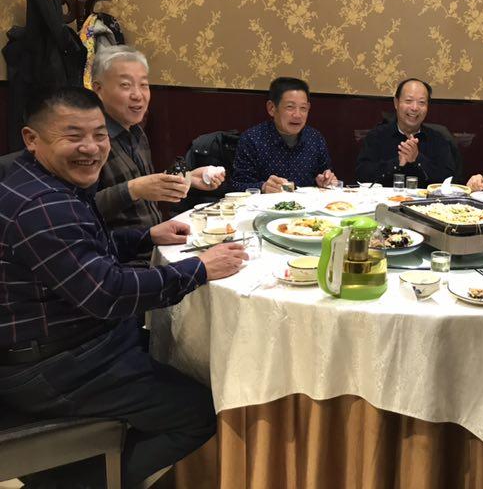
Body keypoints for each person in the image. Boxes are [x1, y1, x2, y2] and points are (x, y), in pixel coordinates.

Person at [0, 87, 247, 487]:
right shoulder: (42, 204)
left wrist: (146, 236)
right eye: (73, 136)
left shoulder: (38, 180)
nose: (91, 148)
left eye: (99, 135)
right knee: (200, 410)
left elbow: (82, 253)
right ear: (32, 139)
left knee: (180, 350)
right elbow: (108, 293)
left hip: (63, 343)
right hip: (55, 365)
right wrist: (200, 268)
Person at [92, 45, 225, 265]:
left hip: (155, 243)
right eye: (125, 85)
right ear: (98, 89)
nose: (138, 95)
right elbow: (79, 209)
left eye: (143, 85)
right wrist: (133, 189)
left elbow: (143, 185)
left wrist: (188, 178)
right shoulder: (91, 140)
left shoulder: (136, 132)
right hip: (119, 259)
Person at [231, 76, 338, 192]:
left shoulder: (315, 138)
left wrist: (326, 180)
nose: (297, 115)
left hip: (308, 202)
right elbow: (237, 184)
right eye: (290, 107)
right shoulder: (252, 139)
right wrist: (263, 187)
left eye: (303, 108)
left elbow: (325, 175)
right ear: (272, 108)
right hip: (268, 203)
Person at [355, 78, 456, 186]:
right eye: (408, 101)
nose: (414, 108)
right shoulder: (377, 136)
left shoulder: (438, 139)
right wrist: (397, 163)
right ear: (396, 103)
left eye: (421, 102)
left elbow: (449, 179)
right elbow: (362, 174)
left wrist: (417, 158)